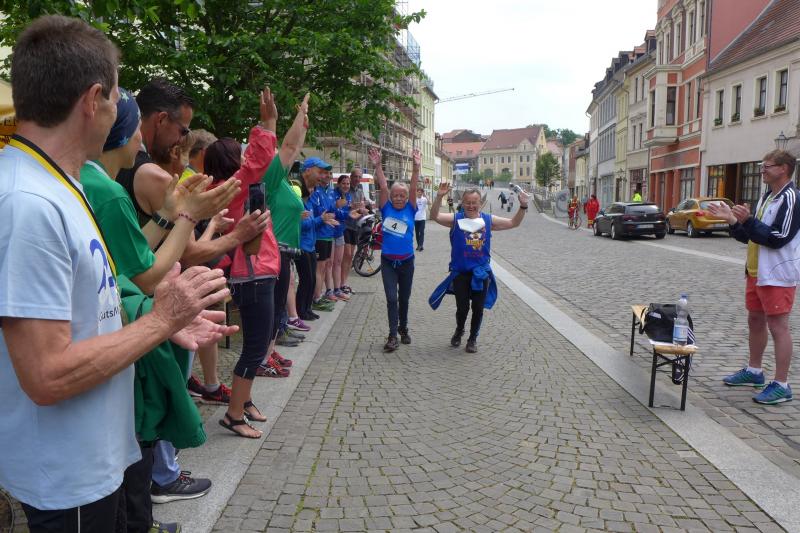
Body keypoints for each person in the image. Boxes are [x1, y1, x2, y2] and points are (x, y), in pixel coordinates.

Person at [0, 15, 234, 533]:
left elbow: (89, 306)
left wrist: (161, 319)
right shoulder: (28, 203)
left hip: (93, 461)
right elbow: (47, 374)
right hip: (68, 477)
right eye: (115, 98)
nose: (119, 115)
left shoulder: (61, 184)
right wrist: (160, 321)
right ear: (92, 100)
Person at [709, 150, 800, 405]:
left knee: (778, 327)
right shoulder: (766, 197)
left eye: (766, 166)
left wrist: (748, 220)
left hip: (777, 274)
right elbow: (750, 236)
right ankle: (754, 370)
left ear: (783, 168)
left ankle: (782, 384)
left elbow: (778, 237)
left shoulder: (792, 198)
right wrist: (732, 221)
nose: (762, 170)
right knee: (755, 321)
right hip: (755, 272)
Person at [428, 184, 530, 353]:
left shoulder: (488, 220)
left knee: (478, 308)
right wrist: (439, 197)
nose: (471, 205)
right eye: (467, 202)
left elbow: (514, 223)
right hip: (460, 273)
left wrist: (523, 205)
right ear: (462, 203)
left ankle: (472, 339)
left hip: (481, 274)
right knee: (462, 308)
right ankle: (459, 330)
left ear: (480, 203)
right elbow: (434, 216)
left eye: (474, 202)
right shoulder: (455, 219)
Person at [370, 147, 420, 352]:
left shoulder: (411, 208)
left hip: (407, 262)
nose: (398, 198)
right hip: (388, 262)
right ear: (391, 197)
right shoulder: (386, 208)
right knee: (392, 298)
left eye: (402, 195)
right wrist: (377, 166)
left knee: (404, 299)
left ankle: (403, 327)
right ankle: (392, 335)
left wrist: (416, 167)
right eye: (395, 195)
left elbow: (414, 186)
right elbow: (383, 186)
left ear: (407, 197)